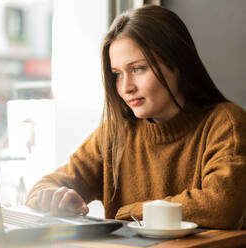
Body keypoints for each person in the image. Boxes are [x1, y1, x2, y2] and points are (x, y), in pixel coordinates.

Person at [25, 5, 246, 229]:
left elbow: (220, 205)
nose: (126, 87)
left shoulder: (225, 123)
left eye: (138, 69)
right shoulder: (115, 133)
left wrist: (128, 212)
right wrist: (53, 197)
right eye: (117, 74)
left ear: (177, 64)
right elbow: (43, 187)